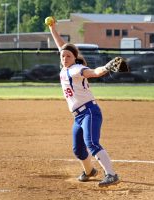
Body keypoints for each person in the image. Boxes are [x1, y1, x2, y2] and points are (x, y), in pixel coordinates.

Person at [48, 20, 119, 187]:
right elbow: (62, 46)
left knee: (92, 143)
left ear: (74, 58)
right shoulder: (65, 64)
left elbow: (94, 72)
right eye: (63, 56)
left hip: (89, 112)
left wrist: (107, 67)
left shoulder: (75, 69)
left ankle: (111, 174)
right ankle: (89, 172)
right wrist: (52, 29)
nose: (64, 58)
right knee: (78, 149)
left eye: (68, 56)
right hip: (78, 116)